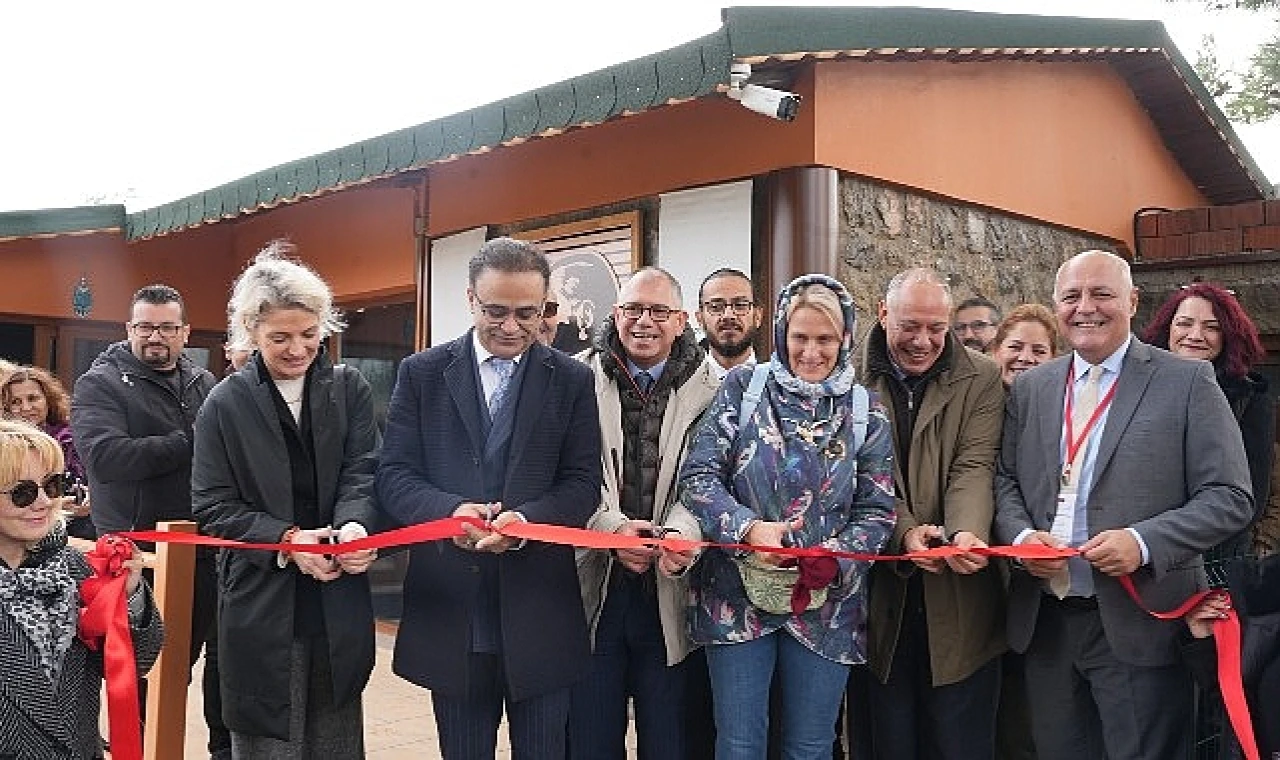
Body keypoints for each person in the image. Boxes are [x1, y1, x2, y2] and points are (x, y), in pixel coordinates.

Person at [994, 250, 1254, 759]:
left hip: (1142, 620)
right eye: (1071, 296)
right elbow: (1005, 481)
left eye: (1101, 294)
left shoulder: (1186, 382)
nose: (1085, 308)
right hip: (1047, 621)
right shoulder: (1032, 387)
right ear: (1056, 304)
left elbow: (1230, 497)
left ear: (1133, 301)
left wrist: (1143, 542)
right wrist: (1023, 538)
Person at [376, 237, 602, 760]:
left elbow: (581, 483)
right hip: (453, 607)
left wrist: (525, 523)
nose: (511, 326)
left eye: (529, 312)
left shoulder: (571, 380)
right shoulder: (423, 373)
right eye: (495, 310)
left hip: (541, 608)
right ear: (470, 300)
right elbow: (395, 475)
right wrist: (449, 513)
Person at [680, 273, 897, 759]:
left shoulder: (866, 410)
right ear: (780, 334)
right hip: (735, 599)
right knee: (739, 744)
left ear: (845, 338)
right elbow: (698, 478)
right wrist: (748, 528)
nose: (812, 352)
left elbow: (878, 510)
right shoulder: (744, 389)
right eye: (800, 337)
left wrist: (835, 557)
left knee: (810, 746)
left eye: (825, 339)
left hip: (826, 605)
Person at [191, 243, 379, 757]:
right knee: (268, 742)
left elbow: (362, 471)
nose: (297, 349)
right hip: (261, 598)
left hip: (336, 595)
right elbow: (210, 506)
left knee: (336, 738)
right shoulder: (224, 403)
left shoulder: (349, 388)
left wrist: (356, 526)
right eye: (279, 338)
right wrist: (287, 540)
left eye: (308, 334)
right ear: (250, 333)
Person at [69, 283, 228, 757]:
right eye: (144, 326)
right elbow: (106, 457)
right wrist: (191, 442)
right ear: (129, 329)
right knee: (139, 672)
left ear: (185, 332)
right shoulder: (100, 382)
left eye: (165, 327)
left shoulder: (204, 382)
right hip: (136, 560)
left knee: (203, 665)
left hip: (203, 550)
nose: (154, 336)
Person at [856, 268, 1007, 760]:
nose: (923, 342)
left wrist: (966, 533)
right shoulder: (850, 376)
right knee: (887, 737)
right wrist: (903, 532)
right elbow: (857, 474)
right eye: (909, 326)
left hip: (958, 596)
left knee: (957, 737)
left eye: (936, 329)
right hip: (876, 597)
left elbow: (974, 464)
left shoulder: (981, 376)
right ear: (883, 315)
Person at [569, 267, 718, 759]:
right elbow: (567, 477)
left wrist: (681, 533)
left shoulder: (714, 391)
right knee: (591, 738)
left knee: (670, 741)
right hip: (595, 584)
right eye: (633, 310)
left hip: (671, 587)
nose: (644, 322)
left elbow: (711, 480)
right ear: (616, 314)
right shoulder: (575, 379)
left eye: (658, 312)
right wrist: (611, 530)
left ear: (681, 321)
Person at [0, 418, 163, 759]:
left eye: (53, 485)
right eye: (23, 492)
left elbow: (136, 663)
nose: (42, 502)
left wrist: (130, 594)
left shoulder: (78, 567)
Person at [1142, 282, 1275, 562]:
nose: (1195, 335)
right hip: (1140, 547)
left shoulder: (1249, 397)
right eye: (1184, 323)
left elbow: (1252, 492)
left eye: (1211, 327)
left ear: (1228, 336)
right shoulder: (1138, 387)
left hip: (1215, 554)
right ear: (1168, 329)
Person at [3, 366, 93, 539]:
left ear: (48, 399)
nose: (26, 407)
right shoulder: (5, 449)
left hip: (82, 530)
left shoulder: (76, 436)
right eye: (16, 402)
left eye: (33, 398)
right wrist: (56, 507)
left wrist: (93, 496)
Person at [695, 268, 763, 380]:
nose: (728, 315)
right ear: (700, 319)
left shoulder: (779, 388)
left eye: (740, 305)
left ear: (757, 316)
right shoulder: (680, 388)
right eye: (716, 307)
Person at [990, 304, 1059, 389]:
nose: (1025, 358)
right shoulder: (973, 396)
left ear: (1053, 358)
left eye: (1038, 351)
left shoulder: (1066, 400)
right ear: (996, 350)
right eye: (1015, 347)